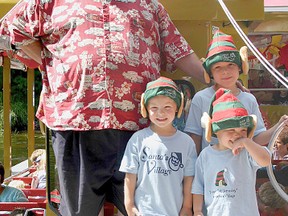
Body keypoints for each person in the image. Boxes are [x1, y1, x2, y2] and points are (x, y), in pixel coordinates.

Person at [0, 1, 207, 215]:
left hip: (140, 128)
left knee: (149, 209)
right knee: (79, 212)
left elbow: (179, 50)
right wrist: (49, 61)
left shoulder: (150, 6)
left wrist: (213, 80)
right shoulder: (48, 2)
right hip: (76, 121)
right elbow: (12, 29)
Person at [184, 30, 288, 155]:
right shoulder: (200, 98)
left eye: (230, 65)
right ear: (209, 72)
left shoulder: (249, 99)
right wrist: (193, 170)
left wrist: (280, 125)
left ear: (240, 66)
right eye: (218, 67)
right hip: (211, 170)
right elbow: (195, 136)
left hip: (242, 169)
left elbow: (256, 139)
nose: (225, 72)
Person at [119, 77, 197, 216]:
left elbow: (188, 179)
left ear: (178, 108)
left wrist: (186, 207)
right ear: (146, 109)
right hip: (144, 212)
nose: (161, 113)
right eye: (154, 108)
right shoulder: (138, 139)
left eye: (167, 107)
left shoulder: (187, 142)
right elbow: (130, 176)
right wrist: (129, 206)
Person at [192, 88, 271, 216]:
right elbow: (198, 186)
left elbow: (266, 160)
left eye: (242, 130)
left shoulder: (247, 152)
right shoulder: (206, 155)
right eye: (231, 130)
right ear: (216, 131)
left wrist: (247, 142)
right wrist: (197, 211)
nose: (237, 135)